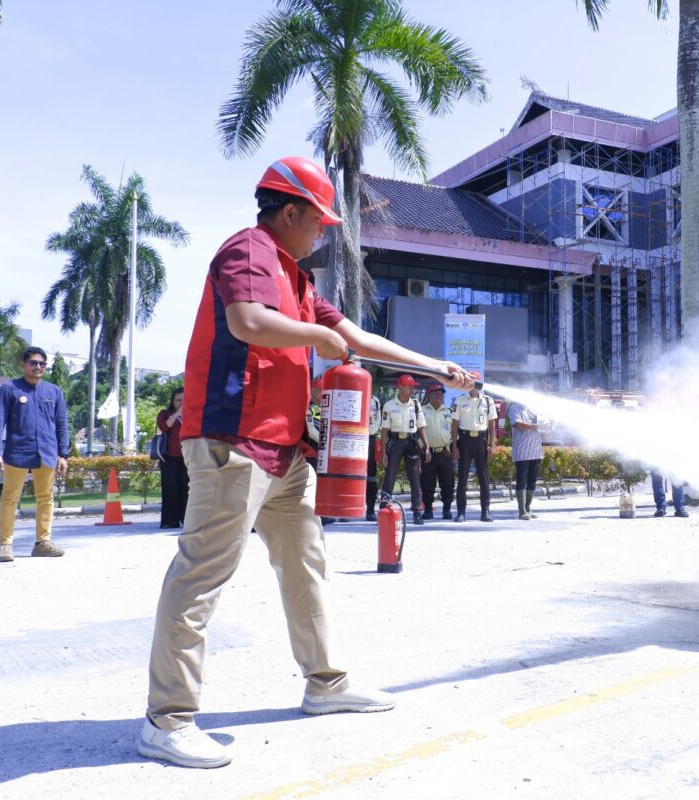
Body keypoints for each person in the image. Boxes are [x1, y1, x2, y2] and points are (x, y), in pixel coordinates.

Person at [140, 155, 472, 770]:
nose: (322, 233)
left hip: (285, 452)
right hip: (234, 443)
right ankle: (169, 718)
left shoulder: (295, 277)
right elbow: (246, 322)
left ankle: (325, 684)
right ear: (288, 212)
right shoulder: (248, 250)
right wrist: (318, 340)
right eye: (317, 221)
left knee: (306, 567)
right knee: (201, 575)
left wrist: (433, 366)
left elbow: (357, 337)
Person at [0, 346, 69, 562]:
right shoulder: (10, 389)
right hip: (17, 452)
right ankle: (5, 545)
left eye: (42, 364)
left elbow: (62, 424)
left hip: (47, 452)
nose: (38, 367)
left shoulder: (54, 391)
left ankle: (43, 543)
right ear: (23, 365)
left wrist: (63, 454)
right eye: (33, 363)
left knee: (45, 498)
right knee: (9, 497)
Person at [379, 374, 429, 526]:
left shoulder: (415, 404)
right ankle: (383, 511)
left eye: (413, 386)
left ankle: (417, 512)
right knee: (390, 477)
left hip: (411, 442)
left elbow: (421, 426)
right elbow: (385, 430)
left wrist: (426, 446)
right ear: (400, 387)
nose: (412, 389)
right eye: (409, 386)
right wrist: (382, 453)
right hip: (395, 442)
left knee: (415, 478)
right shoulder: (389, 405)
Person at [451, 374, 497, 522]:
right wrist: (454, 446)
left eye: (477, 383)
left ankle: (485, 511)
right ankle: (461, 512)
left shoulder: (487, 401)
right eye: (472, 383)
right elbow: (454, 425)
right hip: (464, 440)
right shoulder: (459, 401)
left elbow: (492, 425)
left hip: (481, 440)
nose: (474, 386)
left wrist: (492, 444)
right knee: (463, 477)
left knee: (483, 477)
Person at [420, 383, 454, 520]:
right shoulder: (421, 410)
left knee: (448, 482)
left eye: (441, 393)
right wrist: (423, 447)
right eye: (435, 393)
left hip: (445, 453)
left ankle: (447, 509)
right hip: (428, 453)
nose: (438, 395)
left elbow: (454, 431)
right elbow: (417, 430)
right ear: (429, 395)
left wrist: (450, 446)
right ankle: (428, 509)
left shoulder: (449, 412)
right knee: (427, 483)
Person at [157, 387, 189, 529]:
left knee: (186, 488)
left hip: (188, 456)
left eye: (184, 400)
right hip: (169, 457)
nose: (181, 403)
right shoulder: (165, 413)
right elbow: (164, 427)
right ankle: (170, 521)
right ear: (172, 401)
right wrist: (177, 413)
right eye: (178, 400)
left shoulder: (193, 414)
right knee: (170, 488)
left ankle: (186, 519)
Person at [507, 399, 544, 521]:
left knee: (532, 481)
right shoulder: (514, 408)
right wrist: (537, 425)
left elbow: (545, 423)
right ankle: (521, 510)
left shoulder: (533, 408)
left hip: (536, 451)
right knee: (522, 481)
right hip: (522, 451)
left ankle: (528, 507)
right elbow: (518, 424)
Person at [365, 392, 382, 521]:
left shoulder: (375, 401)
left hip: (370, 438)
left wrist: (372, 433)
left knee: (371, 475)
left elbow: (378, 420)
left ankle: (370, 510)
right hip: (355, 437)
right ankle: (347, 511)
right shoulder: (355, 395)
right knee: (353, 474)